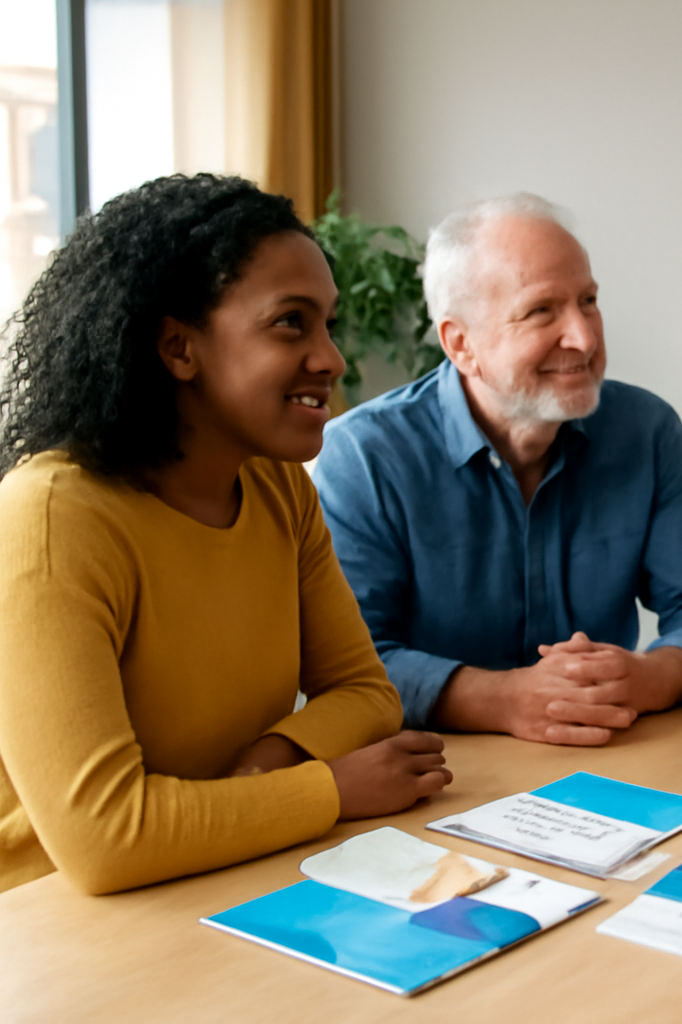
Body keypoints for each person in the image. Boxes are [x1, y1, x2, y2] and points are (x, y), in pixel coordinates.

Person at [0, 174, 453, 896]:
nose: (332, 359)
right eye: (290, 323)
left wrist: (270, 760)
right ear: (179, 347)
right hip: (51, 924)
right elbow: (104, 840)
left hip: (225, 870)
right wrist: (329, 789)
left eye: (328, 323)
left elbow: (366, 691)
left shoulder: (277, 487)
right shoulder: (53, 516)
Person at [312, 194, 682, 746]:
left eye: (588, 301)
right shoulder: (364, 456)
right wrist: (503, 699)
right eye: (542, 311)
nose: (584, 338)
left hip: (613, 759)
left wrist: (652, 676)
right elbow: (347, 661)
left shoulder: (647, 431)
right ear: (460, 344)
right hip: (439, 771)